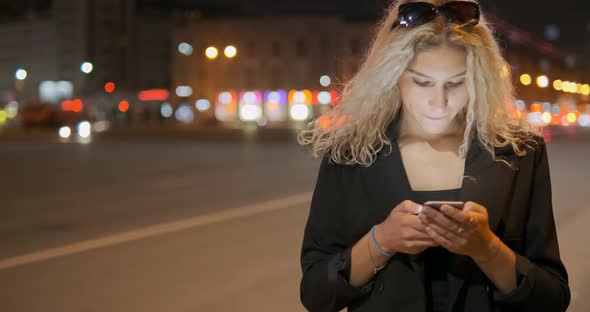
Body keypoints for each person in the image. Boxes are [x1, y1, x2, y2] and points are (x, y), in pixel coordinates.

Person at [297, 1, 570, 311]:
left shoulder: (518, 152)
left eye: (455, 83)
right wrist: (381, 242)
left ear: (480, 79)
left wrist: (487, 249)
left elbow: (553, 298)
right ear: (393, 75)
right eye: (422, 82)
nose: (438, 102)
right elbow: (316, 293)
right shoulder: (351, 153)